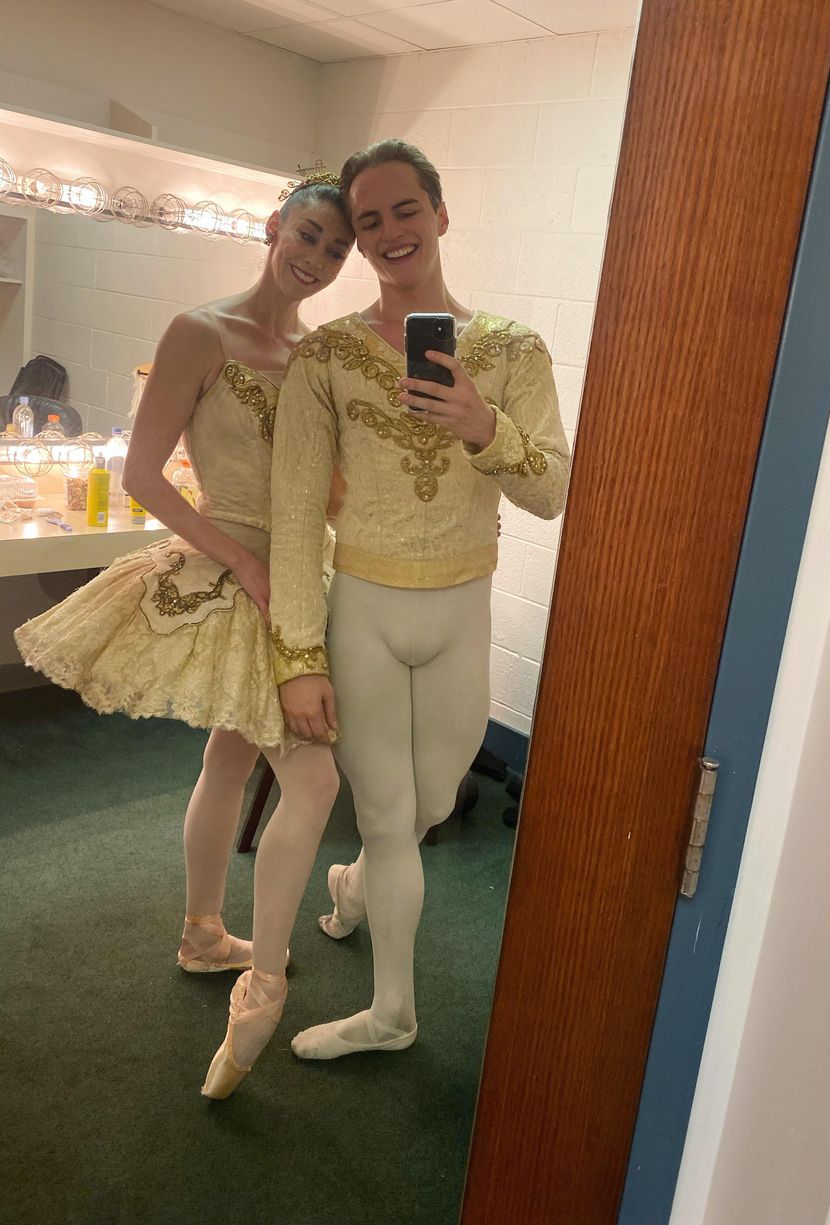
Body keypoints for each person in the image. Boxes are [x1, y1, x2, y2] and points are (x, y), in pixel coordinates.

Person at [15, 172, 354, 1097]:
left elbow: (327, 483)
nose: (317, 259)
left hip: (302, 574)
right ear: (274, 224)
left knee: (230, 759)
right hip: (233, 563)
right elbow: (144, 476)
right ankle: (259, 972)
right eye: (309, 235)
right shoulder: (200, 330)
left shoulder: (321, 351)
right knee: (313, 775)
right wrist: (241, 563)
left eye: (336, 248)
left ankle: (205, 932)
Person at [268, 139, 571, 1060]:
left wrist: (483, 422)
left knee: (434, 798)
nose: (391, 231)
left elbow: (553, 489)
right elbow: (291, 516)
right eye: (370, 220)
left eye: (407, 210)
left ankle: (359, 884)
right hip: (360, 602)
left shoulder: (514, 349)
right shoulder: (325, 355)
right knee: (392, 814)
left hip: (459, 608)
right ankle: (393, 1011)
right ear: (358, 242)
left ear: (440, 215)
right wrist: (298, 656)